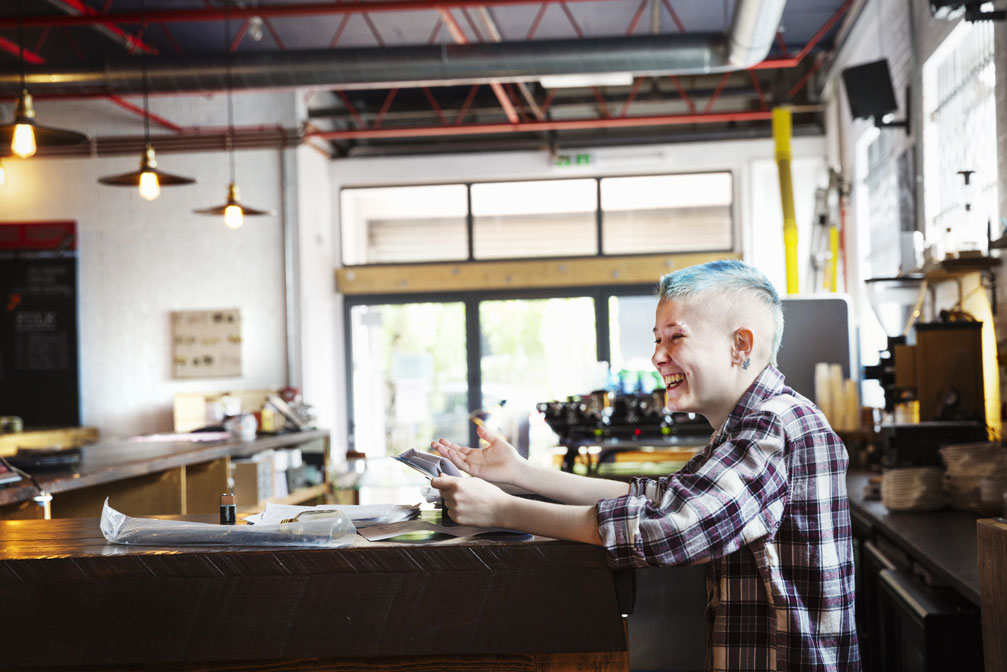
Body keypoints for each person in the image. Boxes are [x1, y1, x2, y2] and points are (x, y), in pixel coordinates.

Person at [430, 259, 860, 672]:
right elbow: (661, 497)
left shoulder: (773, 425)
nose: (657, 356)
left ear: (740, 345)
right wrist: (520, 473)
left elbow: (671, 527)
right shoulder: (742, 426)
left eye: (675, 337)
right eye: (657, 339)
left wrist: (503, 510)